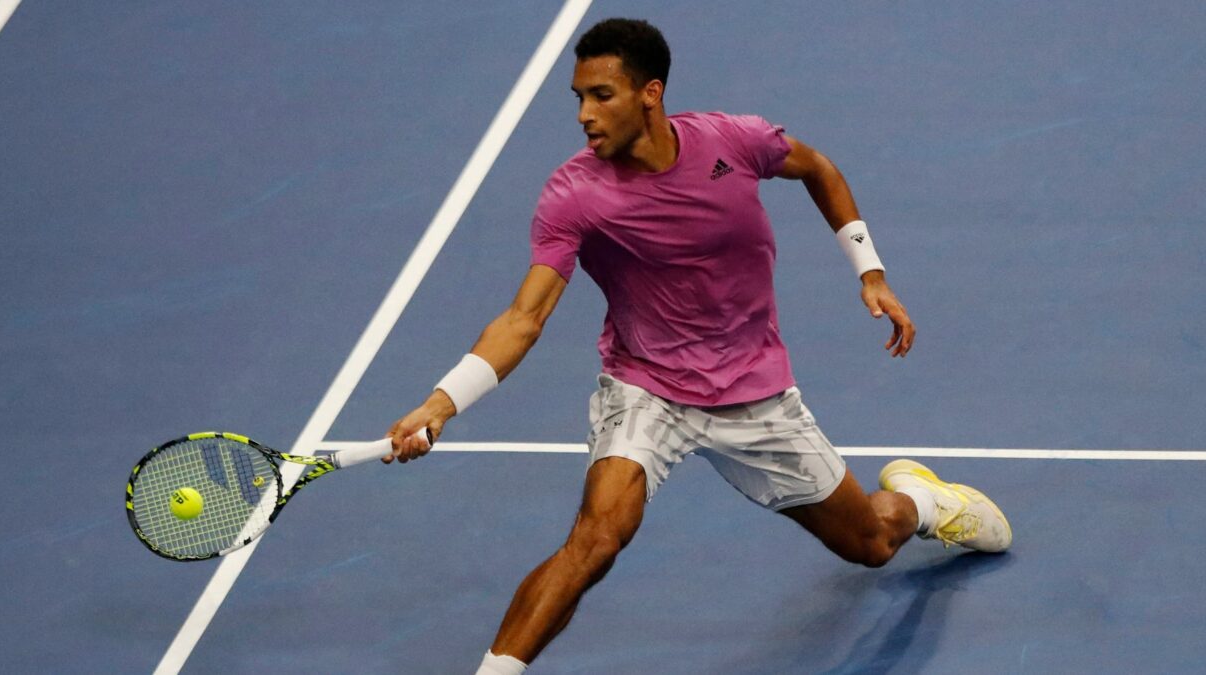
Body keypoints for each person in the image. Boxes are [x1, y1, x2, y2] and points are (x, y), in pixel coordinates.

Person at [383, 18, 1012, 674]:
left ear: (650, 93)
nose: (583, 115)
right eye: (577, 98)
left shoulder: (732, 143)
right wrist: (442, 400)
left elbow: (817, 168)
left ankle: (928, 500)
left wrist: (871, 270)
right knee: (595, 540)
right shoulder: (574, 194)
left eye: (602, 95)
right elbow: (524, 316)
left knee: (873, 542)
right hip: (646, 386)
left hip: (753, 390)